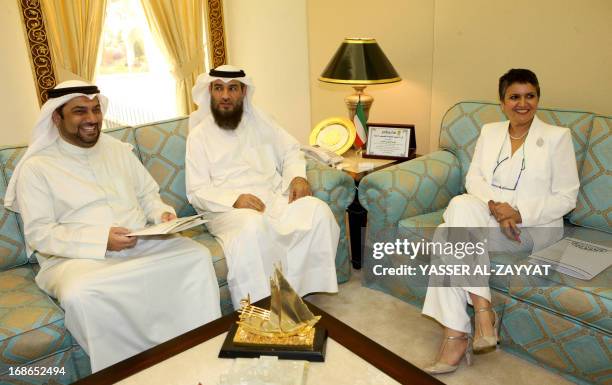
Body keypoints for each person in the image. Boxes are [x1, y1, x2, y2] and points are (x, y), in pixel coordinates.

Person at [4, 80, 221, 372]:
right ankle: (127, 371)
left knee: (193, 256)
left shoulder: (118, 150)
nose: (91, 119)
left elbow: (148, 195)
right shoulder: (37, 168)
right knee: (82, 294)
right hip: (77, 258)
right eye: (80, 111)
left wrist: (162, 215)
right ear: (57, 117)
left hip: (142, 242)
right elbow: (41, 234)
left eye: (95, 110)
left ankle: (198, 352)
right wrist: (101, 240)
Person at [421, 69, 580, 374]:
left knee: (446, 235)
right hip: (491, 216)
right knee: (460, 204)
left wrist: (518, 213)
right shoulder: (490, 131)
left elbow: (566, 197)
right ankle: (482, 311)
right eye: (514, 97)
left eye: (530, 96)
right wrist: (496, 207)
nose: (523, 103)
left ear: (537, 98)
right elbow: (474, 179)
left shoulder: (557, 137)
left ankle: (458, 334)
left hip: (534, 227)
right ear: (502, 101)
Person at [186, 65, 339, 308]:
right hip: (226, 210)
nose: (225, 95)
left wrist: (297, 177)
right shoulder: (199, 136)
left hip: (273, 197)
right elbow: (197, 191)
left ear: (243, 92)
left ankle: (299, 293)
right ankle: (261, 305)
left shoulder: (261, 123)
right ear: (210, 92)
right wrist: (235, 199)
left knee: (317, 211)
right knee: (254, 226)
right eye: (218, 88)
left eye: (232, 88)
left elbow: (291, 150)